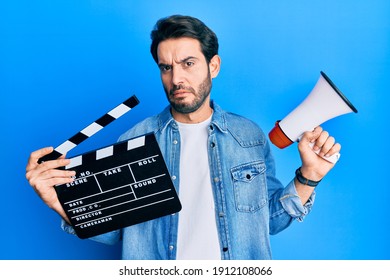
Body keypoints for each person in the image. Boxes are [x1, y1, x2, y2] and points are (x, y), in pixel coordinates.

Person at [25, 15, 341, 260]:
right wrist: (60, 204)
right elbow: (113, 232)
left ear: (212, 66)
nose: (176, 78)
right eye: (166, 67)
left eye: (188, 64)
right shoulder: (134, 139)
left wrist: (309, 177)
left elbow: (267, 223)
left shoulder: (249, 137)